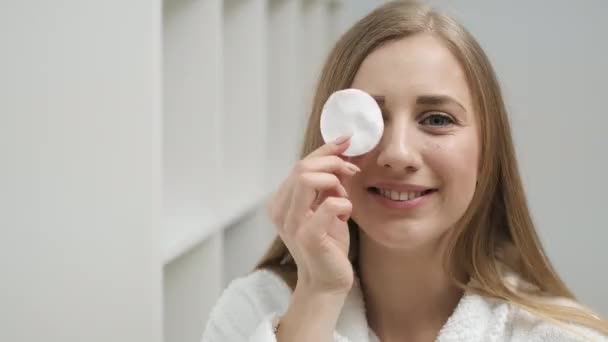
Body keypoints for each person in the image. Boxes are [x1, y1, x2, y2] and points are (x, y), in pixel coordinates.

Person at [202, 1, 608, 341]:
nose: (397, 154)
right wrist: (318, 297)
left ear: (488, 150)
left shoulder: (561, 336)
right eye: (370, 120)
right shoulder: (249, 314)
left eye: (436, 119)